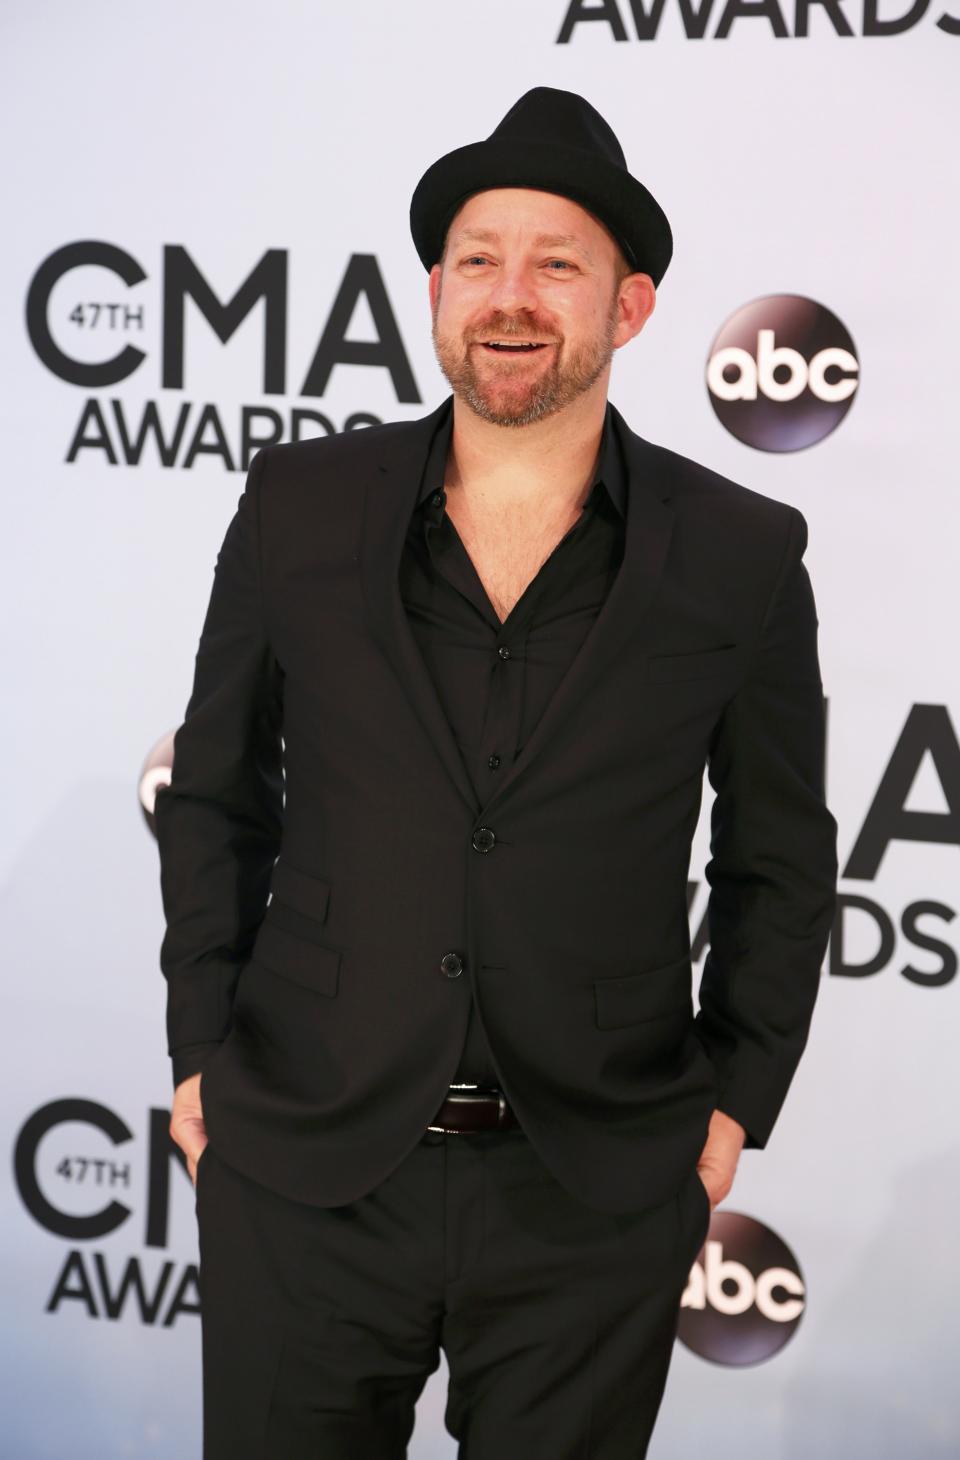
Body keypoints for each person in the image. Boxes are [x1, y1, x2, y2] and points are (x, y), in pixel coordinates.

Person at [155, 86, 838, 1459]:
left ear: (628, 308)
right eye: (479, 258)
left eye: (556, 264)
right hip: (306, 1160)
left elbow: (780, 860)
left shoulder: (743, 554)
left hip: (591, 1188)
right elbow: (220, 791)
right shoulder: (299, 504)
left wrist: (731, 1104)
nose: (510, 297)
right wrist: (199, 1053)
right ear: (436, 289)